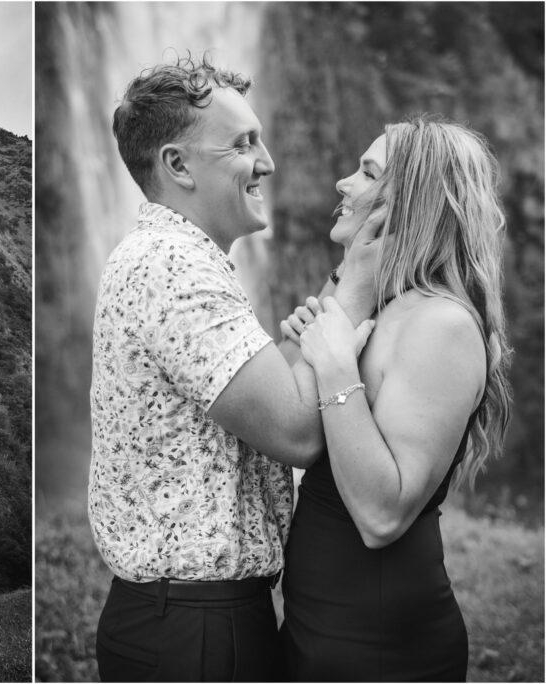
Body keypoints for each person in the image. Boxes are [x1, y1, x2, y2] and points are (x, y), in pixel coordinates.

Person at [88, 53, 381, 682]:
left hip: (187, 620)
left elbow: (264, 392)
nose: (268, 162)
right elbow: (299, 432)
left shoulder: (172, 257)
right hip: (194, 633)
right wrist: (358, 284)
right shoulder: (173, 268)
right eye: (244, 144)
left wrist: (336, 291)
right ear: (177, 165)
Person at [277, 116, 512, 681]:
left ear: (410, 203)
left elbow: (383, 516)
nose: (342, 183)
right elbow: (290, 427)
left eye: (367, 172)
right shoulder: (380, 304)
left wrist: (333, 362)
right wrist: (328, 320)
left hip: (378, 647)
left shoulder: (441, 324)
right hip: (315, 627)